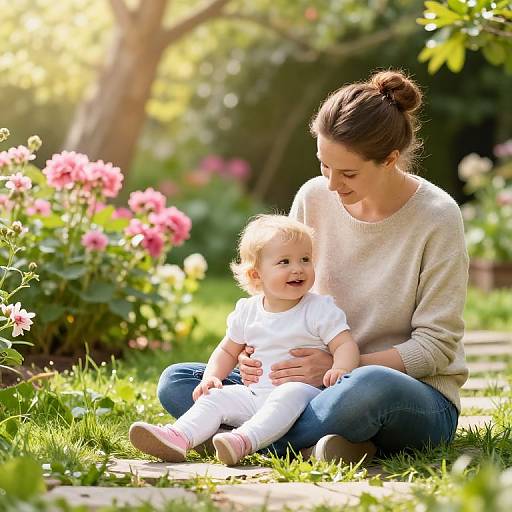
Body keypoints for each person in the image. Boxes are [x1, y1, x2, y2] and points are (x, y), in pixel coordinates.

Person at [156, 69, 469, 462]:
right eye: (324, 165)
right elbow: (281, 289)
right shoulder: (313, 196)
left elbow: (436, 347)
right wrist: (254, 355)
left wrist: (339, 366)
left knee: (366, 389)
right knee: (180, 381)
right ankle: (327, 444)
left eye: (349, 173)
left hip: (403, 392)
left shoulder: (437, 216)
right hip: (301, 386)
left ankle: (233, 436)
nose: (333, 185)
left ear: (390, 160)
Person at [130, 214, 359, 465]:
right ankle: (178, 437)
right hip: (255, 395)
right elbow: (227, 351)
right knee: (214, 397)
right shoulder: (248, 310)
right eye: (285, 261)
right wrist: (212, 378)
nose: (298, 268)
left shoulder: (318, 309)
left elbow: (345, 344)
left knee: (288, 394)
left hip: (306, 398)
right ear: (256, 275)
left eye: (305, 259)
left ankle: (243, 440)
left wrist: (340, 369)